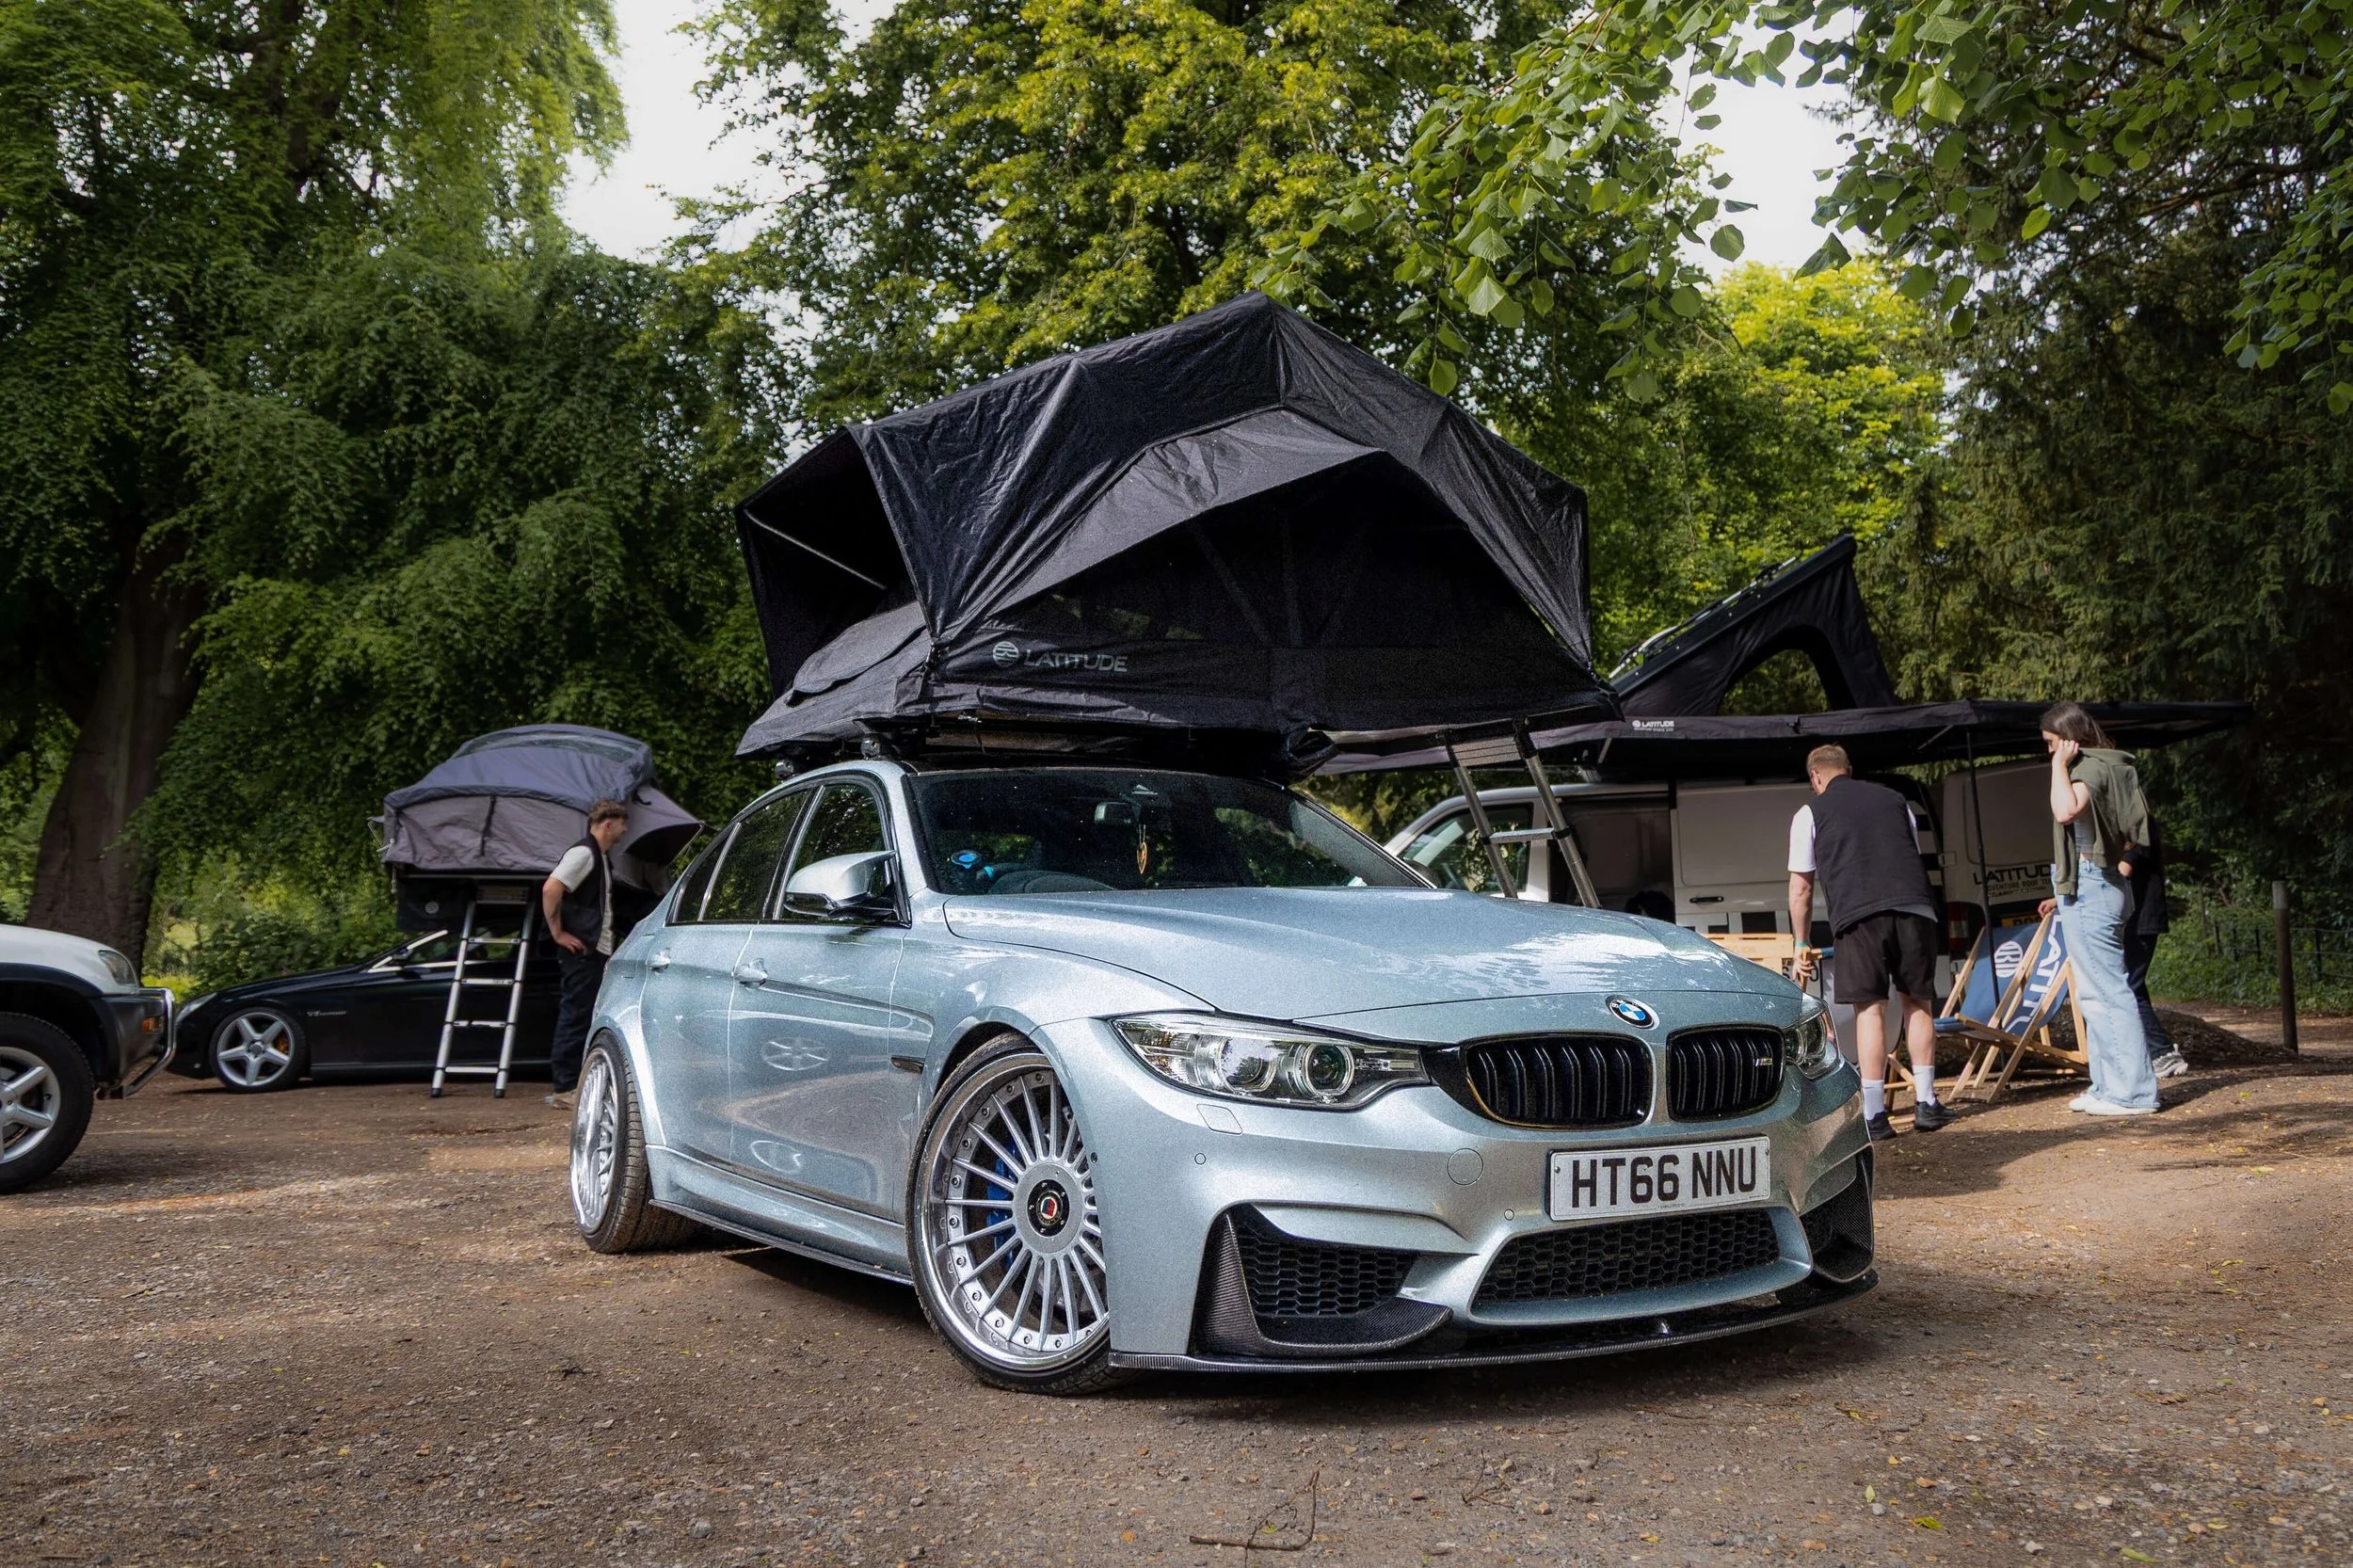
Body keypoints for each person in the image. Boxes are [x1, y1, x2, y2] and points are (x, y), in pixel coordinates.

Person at [1787, 744, 1951, 1141]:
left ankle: (1876, 1115)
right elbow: (1906, 853)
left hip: (1859, 915)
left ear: (1816, 778)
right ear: (1849, 769)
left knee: (1871, 1011)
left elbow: (1801, 888)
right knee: (1918, 1003)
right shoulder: (1896, 801)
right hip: (1915, 908)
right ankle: (1927, 1104)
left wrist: (1801, 942)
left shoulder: (1810, 812)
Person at [2040, 702, 2160, 1115]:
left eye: (2053, 744)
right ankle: (2108, 1086)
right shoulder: (2110, 764)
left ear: (2070, 739)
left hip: (2092, 886)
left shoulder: (2089, 768)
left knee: (2108, 992)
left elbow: (2065, 809)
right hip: (2095, 886)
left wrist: (2060, 765)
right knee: (2093, 993)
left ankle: (2134, 1093)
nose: (2050, 753)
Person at [541, 798, 630, 1110]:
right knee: (576, 1014)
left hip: (594, 949)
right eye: (623, 823)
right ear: (609, 824)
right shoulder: (584, 853)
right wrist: (558, 933)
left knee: (584, 1013)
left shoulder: (599, 856)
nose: (625, 829)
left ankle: (574, 1081)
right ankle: (565, 1087)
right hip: (580, 949)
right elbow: (551, 889)